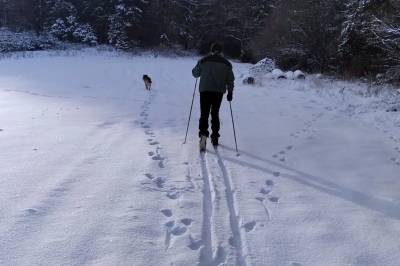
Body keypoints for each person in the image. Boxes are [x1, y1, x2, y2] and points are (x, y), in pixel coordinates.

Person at [192, 43, 235, 151]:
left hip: (205, 90)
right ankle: (215, 137)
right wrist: (230, 92)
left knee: (204, 113)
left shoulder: (203, 60)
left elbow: (195, 74)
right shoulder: (227, 63)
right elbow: (230, 80)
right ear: (221, 52)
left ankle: (203, 135)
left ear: (212, 50)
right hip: (218, 92)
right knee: (215, 113)